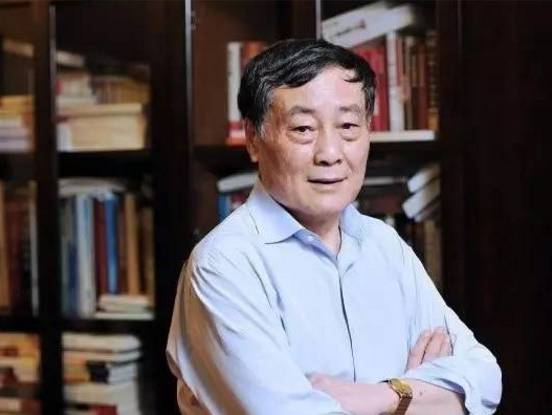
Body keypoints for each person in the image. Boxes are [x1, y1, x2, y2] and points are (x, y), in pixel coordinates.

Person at [166, 39, 502, 415]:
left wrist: (387, 395)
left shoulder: (383, 244)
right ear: (253, 139)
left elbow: (485, 380)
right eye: (303, 128)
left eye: (348, 126)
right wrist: (427, 396)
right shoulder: (225, 265)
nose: (330, 153)